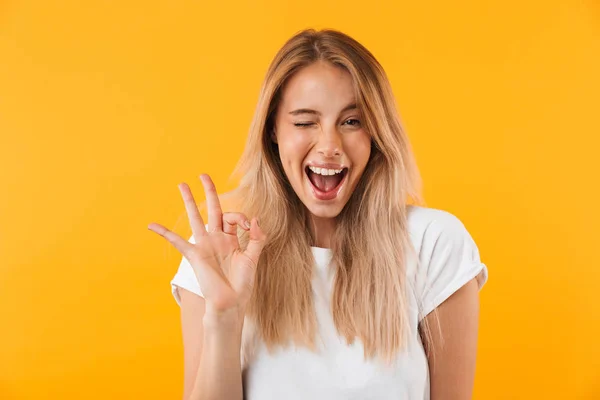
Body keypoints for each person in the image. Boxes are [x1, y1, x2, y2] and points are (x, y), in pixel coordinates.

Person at [148, 28, 488, 400]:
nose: (329, 146)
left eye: (352, 121)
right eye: (305, 122)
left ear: (376, 133)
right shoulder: (222, 252)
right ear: (273, 130)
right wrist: (224, 319)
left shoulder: (434, 243)